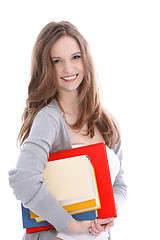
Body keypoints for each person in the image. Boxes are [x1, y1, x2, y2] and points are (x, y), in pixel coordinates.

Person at [9, 21, 127, 240]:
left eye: (75, 57)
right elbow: (24, 180)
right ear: (46, 66)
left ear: (86, 59)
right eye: (57, 61)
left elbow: (119, 184)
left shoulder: (105, 121)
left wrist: (111, 213)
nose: (68, 69)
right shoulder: (49, 119)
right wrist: (71, 225)